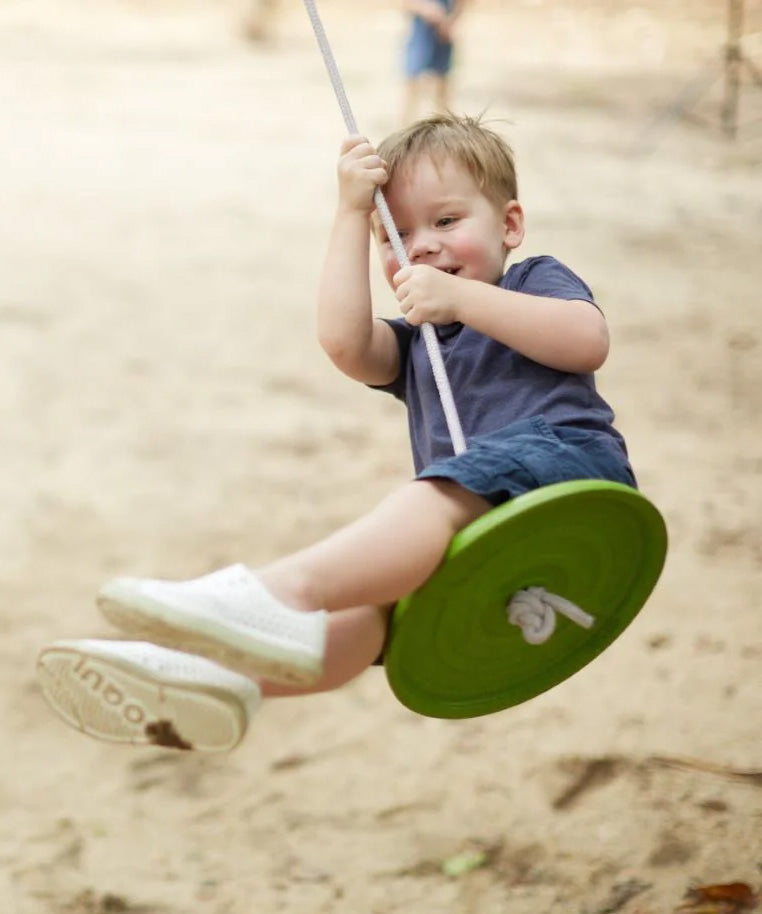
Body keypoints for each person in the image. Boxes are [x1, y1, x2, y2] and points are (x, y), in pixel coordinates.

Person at [37, 113, 636, 753]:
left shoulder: (529, 281)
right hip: (485, 523)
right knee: (369, 615)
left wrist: (462, 302)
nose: (423, 247)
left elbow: (586, 341)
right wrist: (352, 216)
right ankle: (218, 682)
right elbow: (345, 342)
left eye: (445, 222)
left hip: (567, 471)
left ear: (509, 225)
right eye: (397, 236)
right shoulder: (419, 344)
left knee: (429, 495)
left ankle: (276, 593)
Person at [401, 0, 467, 123]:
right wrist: (426, 9)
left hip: (443, 32)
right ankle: (405, 128)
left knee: (442, 87)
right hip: (421, 32)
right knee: (413, 85)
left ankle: (446, 129)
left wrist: (451, 21)